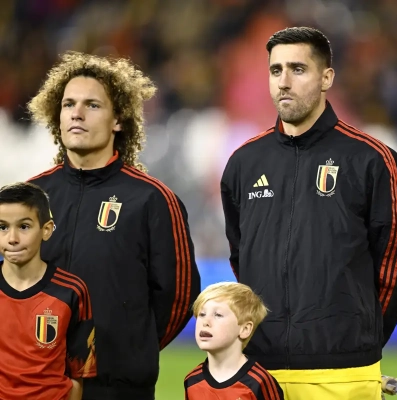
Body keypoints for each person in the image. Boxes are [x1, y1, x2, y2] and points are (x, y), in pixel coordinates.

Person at [220, 26, 397, 400]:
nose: (284, 82)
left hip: (344, 371)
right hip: (260, 370)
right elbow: (240, 255)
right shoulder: (244, 162)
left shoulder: (372, 159)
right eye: (276, 70)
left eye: (298, 69)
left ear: (327, 77)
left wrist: (361, 334)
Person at [25, 51, 200, 400]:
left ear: (118, 119)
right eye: (68, 104)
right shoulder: (30, 198)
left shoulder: (152, 199)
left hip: (117, 388)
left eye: (92, 105)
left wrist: (131, 348)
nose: (76, 113)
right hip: (37, 383)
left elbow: (179, 296)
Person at [0, 182, 96, 400]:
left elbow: (78, 373)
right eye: (2, 227)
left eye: (24, 226)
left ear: (46, 230)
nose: (12, 238)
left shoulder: (71, 291)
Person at [184, 282, 283, 400]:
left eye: (218, 315)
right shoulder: (192, 381)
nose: (205, 322)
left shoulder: (259, 382)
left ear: (245, 329)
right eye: (202, 314)